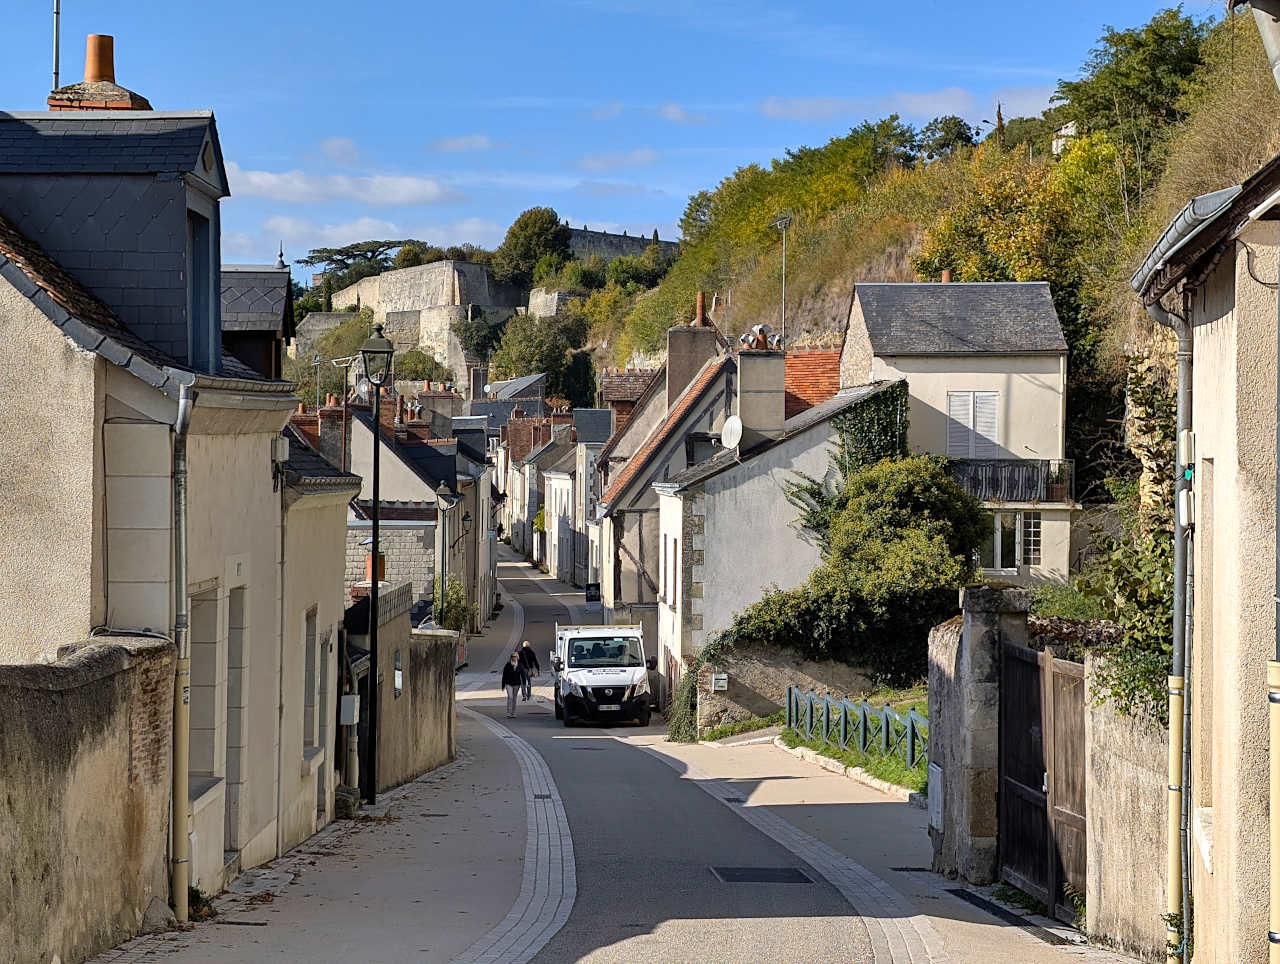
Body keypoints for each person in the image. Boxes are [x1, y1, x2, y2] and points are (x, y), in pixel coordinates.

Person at [501, 651, 524, 718]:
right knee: (510, 697)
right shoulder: (507, 665)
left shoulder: (520, 665)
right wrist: (503, 685)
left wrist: (524, 683)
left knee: (514, 698)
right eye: (513, 657)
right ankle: (508, 712)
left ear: (517, 658)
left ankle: (513, 713)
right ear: (511, 658)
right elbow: (504, 675)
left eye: (515, 657)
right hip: (509, 683)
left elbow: (522, 675)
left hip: (517, 684)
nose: (514, 658)